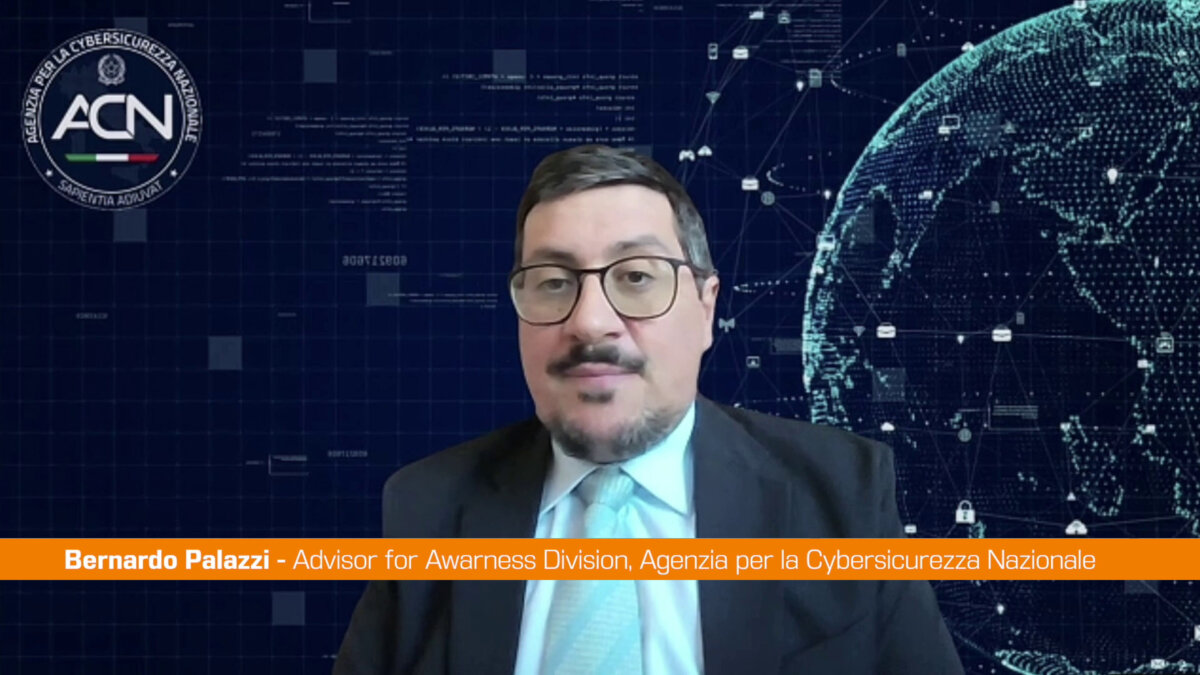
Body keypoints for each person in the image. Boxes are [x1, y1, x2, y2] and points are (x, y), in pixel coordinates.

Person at [334, 144, 964, 674]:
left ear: (706, 308)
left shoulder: (843, 493)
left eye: (636, 277)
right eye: (553, 282)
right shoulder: (428, 509)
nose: (590, 322)